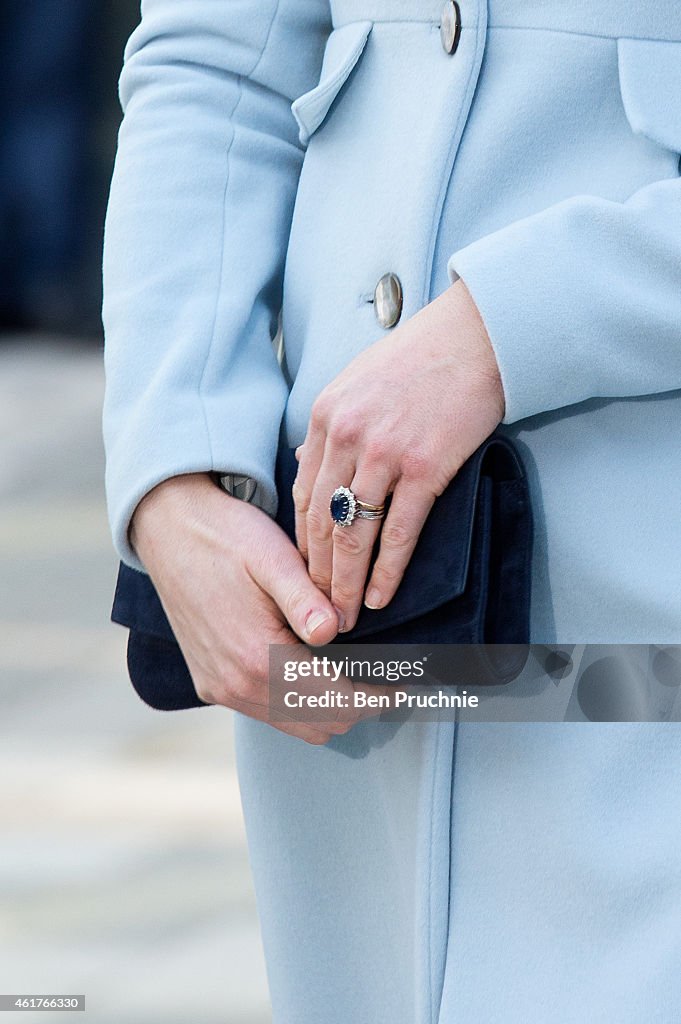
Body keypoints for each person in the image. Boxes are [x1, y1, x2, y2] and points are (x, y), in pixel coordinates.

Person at [102, 1, 681, 1020]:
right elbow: (215, 62)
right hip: (356, 672)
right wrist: (173, 469)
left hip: (641, 635)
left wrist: (503, 331)